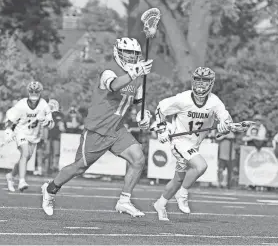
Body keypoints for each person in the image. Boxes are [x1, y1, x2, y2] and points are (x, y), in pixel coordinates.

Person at [41, 37, 153, 217]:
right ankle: (50, 189)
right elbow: (115, 85)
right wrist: (134, 73)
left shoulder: (138, 76)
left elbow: (139, 102)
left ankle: (124, 201)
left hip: (117, 129)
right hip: (98, 129)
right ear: (118, 52)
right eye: (128, 53)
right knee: (79, 168)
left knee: (138, 158)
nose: (132, 57)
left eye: (134, 54)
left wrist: (144, 114)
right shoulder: (109, 71)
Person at [151, 67, 233, 221]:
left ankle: (160, 204)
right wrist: (161, 130)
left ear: (211, 83)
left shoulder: (214, 101)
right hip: (179, 142)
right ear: (193, 81)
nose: (201, 83)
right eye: (198, 79)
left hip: (194, 144)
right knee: (201, 166)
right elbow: (161, 108)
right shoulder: (183, 99)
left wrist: (224, 126)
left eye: (205, 80)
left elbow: (226, 120)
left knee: (178, 179)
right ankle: (182, 194)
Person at [5, 81, 54, 192]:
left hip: (34, 135)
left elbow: (51, 124)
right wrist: (8, 131)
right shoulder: (21, 104)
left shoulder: (43, 105)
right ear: (28, 91)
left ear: (40, 92)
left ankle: (11, 176)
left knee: (25, 157)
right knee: (25, 153)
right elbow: (11, 119)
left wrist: (46, 122)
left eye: (36, 91)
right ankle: (22, 181)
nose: (34, 93)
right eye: (32, 91)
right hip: (21, 132)